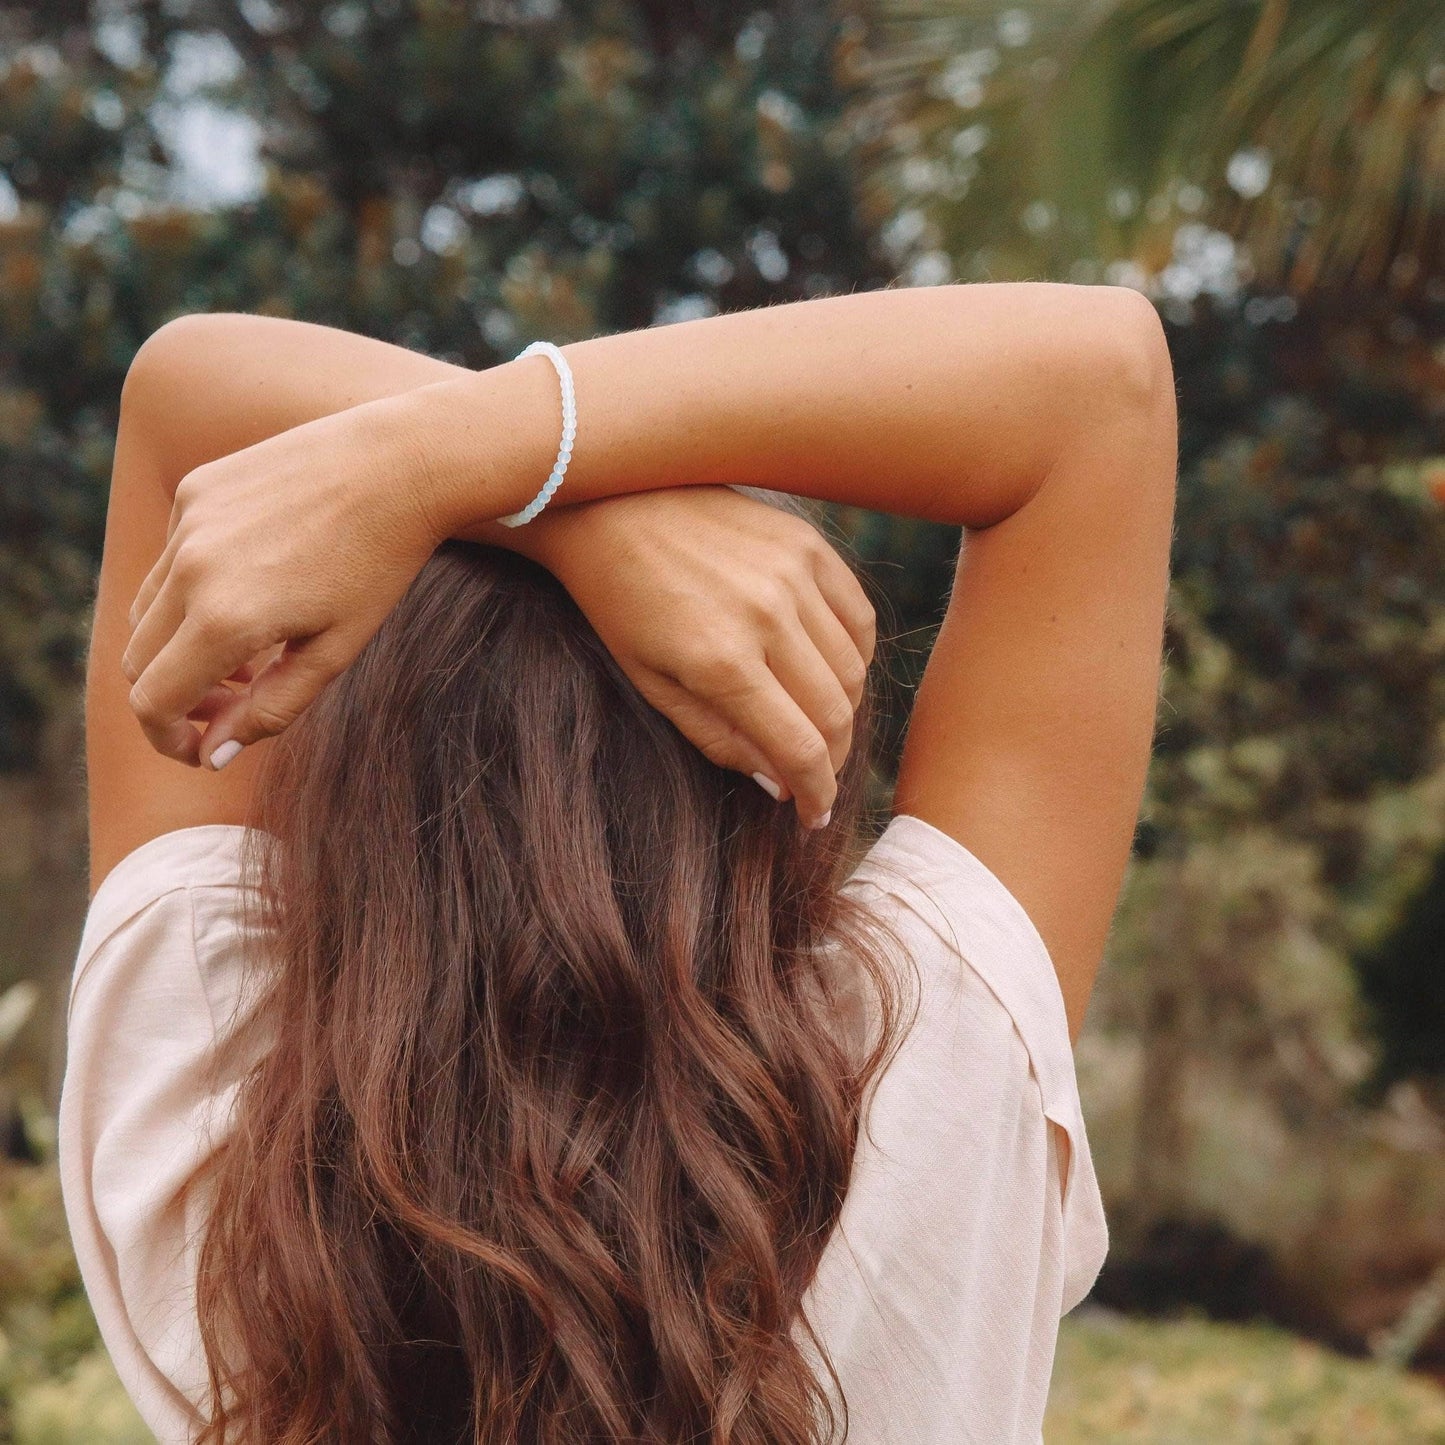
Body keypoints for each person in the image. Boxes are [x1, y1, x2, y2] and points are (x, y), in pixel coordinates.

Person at [60, 282, 1177, 1444]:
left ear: (348, 774)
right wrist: (463, 468)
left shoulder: (209, 1103)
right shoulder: (924, 1060)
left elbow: (183, 386)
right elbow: (1100, 382)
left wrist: (551, 519)